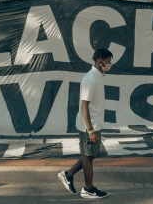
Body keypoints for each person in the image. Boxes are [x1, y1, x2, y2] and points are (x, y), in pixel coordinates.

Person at [58, 48, 113, 199]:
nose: (110, 64)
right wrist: (90, 130)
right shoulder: (90, 79)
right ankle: (88, 189)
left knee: (92, 154)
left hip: (95, 123)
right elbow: (84, 106)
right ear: (99, 60)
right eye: (108, 61)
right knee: (89, 156)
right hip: (89, 125)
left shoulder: (99, 76)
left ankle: (68, 175)